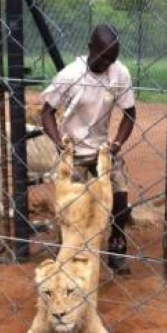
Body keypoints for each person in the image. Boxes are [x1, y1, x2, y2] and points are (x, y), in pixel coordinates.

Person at [41, 24, 136, 274]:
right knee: (71, 205)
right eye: (103, 56)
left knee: (120, 198)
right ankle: (67, 247)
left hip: (104, 150)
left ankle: (117, 241)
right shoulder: (70, 75)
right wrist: (59, 143)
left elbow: (130, 114)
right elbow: (47, 113)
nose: (106, 63)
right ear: (90, 47)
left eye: (112, 58)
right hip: (73, 150)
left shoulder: (120, 74)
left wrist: (115, 145)